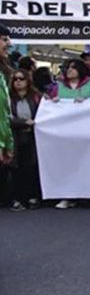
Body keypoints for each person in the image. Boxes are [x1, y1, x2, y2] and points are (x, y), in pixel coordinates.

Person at [8, 69, 41, 211]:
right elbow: (6, 118)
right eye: (15, 79)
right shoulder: (9, 99)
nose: (18, 82)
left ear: (28, 81)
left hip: (33, 137)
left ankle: (33, 196)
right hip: (15, 137)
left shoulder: (36, 97)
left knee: (32, 167)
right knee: (16, 168)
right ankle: (18, 198)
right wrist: (23, 122)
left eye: (21, 79)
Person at [0, 26, 14, 210]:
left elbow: (3, 113)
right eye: (4, 39)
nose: (8, 44)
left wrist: (6, 143)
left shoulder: (3, 74)